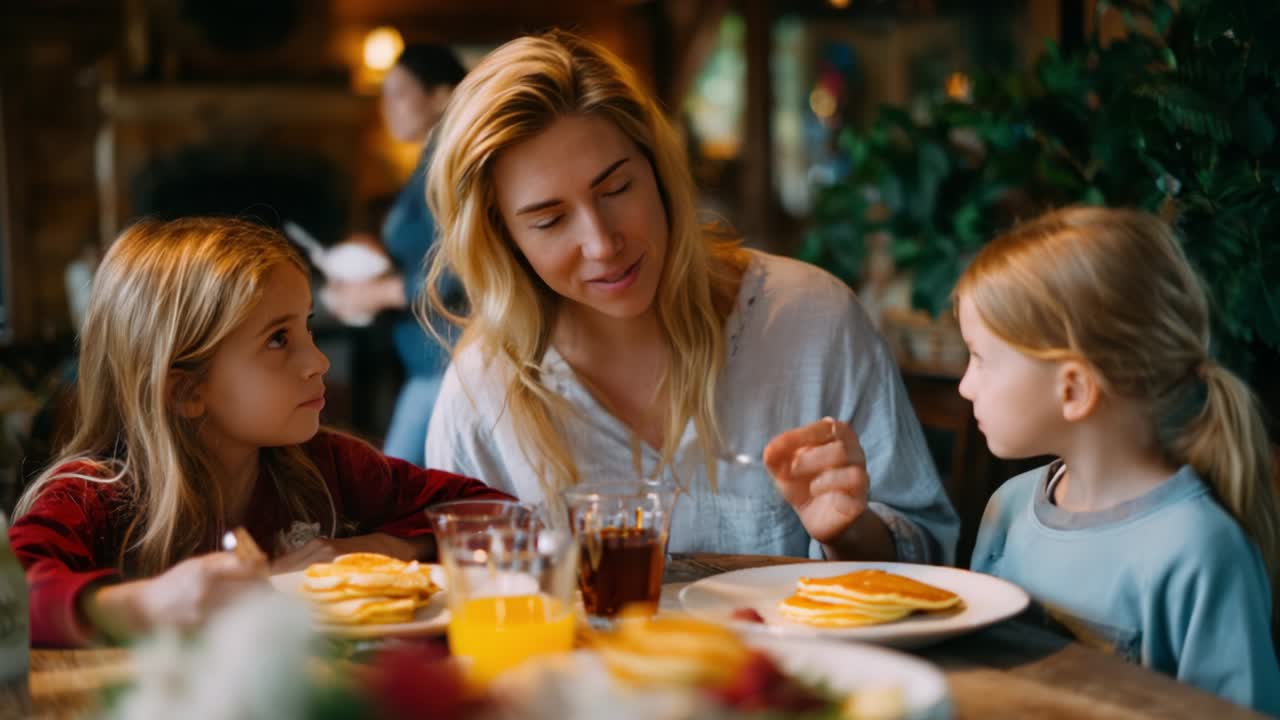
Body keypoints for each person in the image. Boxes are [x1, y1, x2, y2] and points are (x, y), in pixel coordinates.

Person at [421, 30, 958, 562]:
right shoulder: (482, 400)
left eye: (617, 190)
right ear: (502, 239)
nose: (603, 244)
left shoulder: (813, 322)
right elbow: (467, 613)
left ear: (658, 171)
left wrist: (849, 534)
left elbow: (932, 553)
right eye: (550, 220)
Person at [9, 217, 510, 648]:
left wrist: (376, 551)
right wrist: (146, 606)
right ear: (185, 391)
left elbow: (496, 515)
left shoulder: (322, 465)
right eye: (278, 339)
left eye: (307, 328)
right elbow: (12, 595)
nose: (317, 362)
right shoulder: (92, 498)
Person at [959, 206, 1280, 713]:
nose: (965, 384)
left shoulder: (1198, 550)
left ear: (1075, 388)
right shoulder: (1008, 507)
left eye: (980, 359)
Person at [323, 44, 467, 466]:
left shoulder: (452, 164)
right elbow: (427, 249)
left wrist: (378, 293)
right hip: (431, 362)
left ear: (442, 96)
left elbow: (463, 270)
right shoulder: (429, 160)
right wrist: (379, 254)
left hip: (449, 361)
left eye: (398, 93)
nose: (386, 106)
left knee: (394, 487)